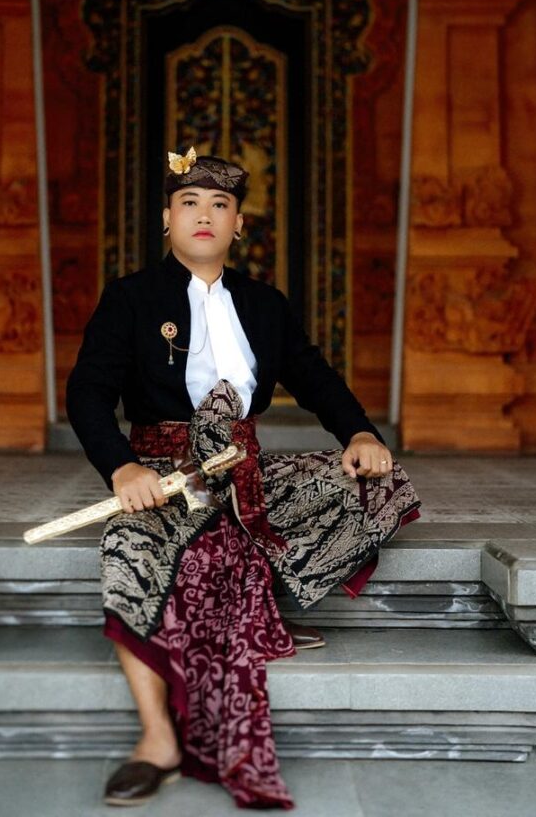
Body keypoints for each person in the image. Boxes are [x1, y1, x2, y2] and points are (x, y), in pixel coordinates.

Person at [66, 148, 420, 809]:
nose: (204, 215)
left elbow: (316, 378)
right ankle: (158, 739)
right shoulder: (130, 298)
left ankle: (258, 601)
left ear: (238, 225)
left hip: (248, 474)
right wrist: (121, 466)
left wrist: (361, 434)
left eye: (219, 205)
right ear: (166, 219)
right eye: (189, 203)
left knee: (377, 482)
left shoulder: (264, 304)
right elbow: (87, 392)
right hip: (167, 476)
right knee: (128, 548)